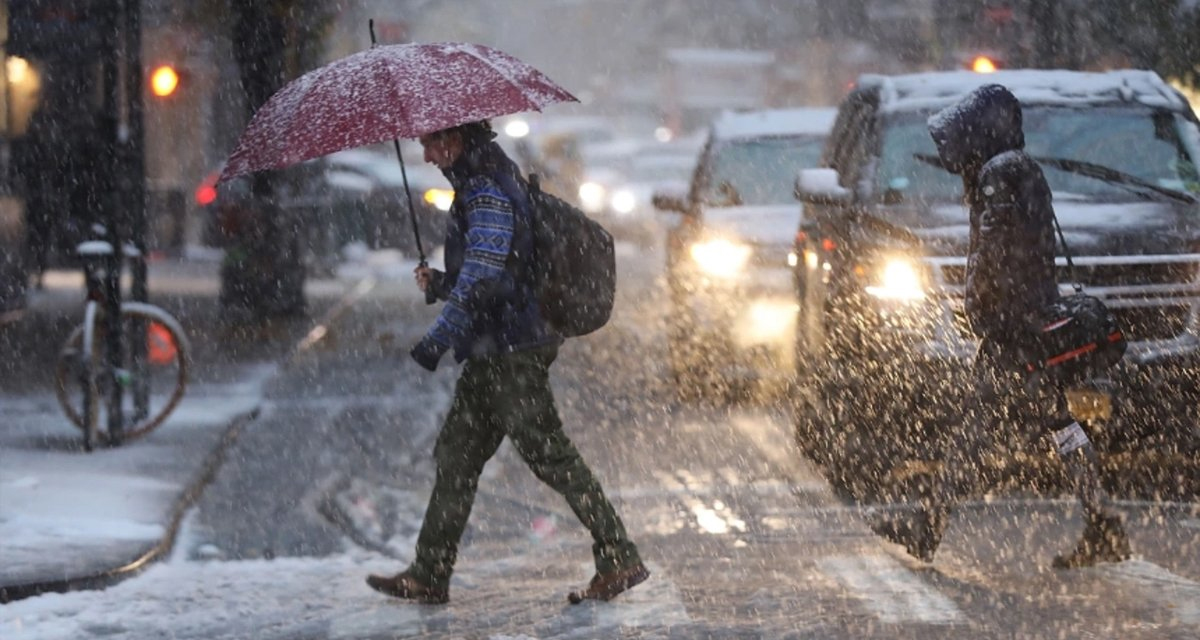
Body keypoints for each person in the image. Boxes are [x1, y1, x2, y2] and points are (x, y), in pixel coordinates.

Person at [366, 120, 648, 604]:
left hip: (513, 350)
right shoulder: (483, 182)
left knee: (550, 455)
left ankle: (619, 556)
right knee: (457, 456)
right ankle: (429, 572)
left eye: (432, 143)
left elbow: (483, 279)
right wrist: (439, 284)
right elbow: (491, 275)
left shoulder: (487, 191)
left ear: (456, 139)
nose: (428, 155)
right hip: (493, 349)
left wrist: (436, 340)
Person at [870, 84, 1131, 569]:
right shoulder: (1018, 167)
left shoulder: (998, 173)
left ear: (979, 131)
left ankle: (931, 526)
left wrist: (988, 312)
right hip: (1033, 319)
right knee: (1061, 424)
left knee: (973, 431)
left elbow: (995, 254)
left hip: (1014, 329)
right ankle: (1103, 522)